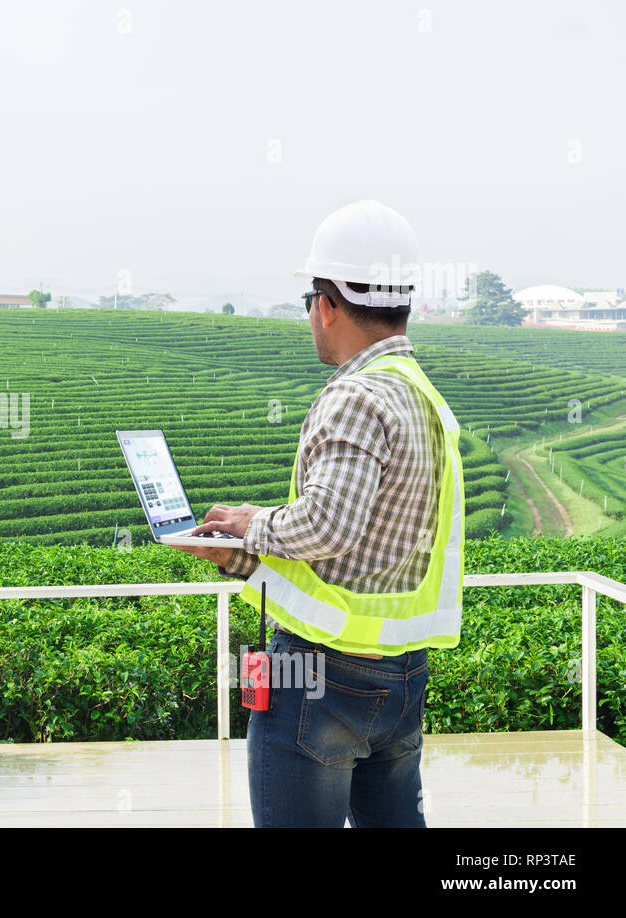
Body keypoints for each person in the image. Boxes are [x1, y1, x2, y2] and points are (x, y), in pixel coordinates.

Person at [175, 200, 464, 827]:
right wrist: (246, 550)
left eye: (311, 299)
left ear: (328, 303)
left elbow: (330, 526)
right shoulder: (421, 395)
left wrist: (252, 525)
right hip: (402, 673)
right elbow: (366, 546)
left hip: (320, 678)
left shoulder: (356, 396)